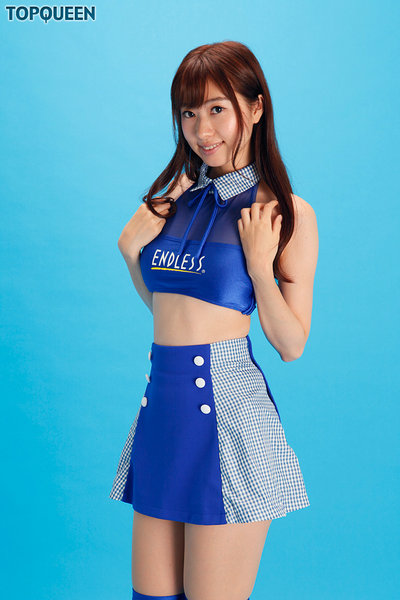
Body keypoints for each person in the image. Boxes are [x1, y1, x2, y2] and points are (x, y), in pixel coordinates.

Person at [109, 40, 319, 600]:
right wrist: (130, 251)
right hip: (162, 412)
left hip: (228, 416)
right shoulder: (174, 203)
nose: (202, 130)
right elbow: (169, 313)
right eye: (188, 113)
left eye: (217, 109)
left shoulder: (284, 212)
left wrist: (260, 268)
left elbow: (291, 344)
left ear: (256, 107)